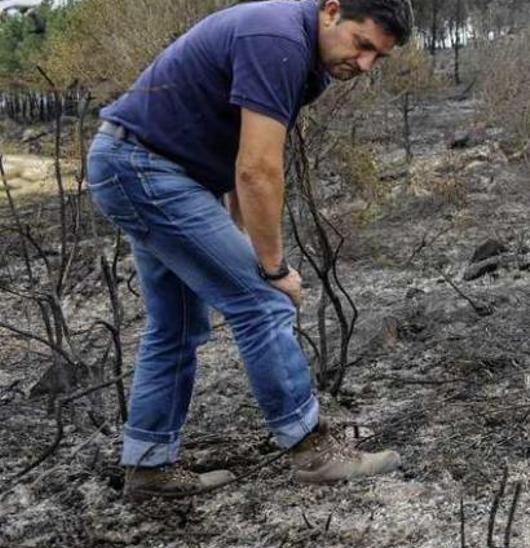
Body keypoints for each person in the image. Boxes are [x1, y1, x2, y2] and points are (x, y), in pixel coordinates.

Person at [86, 0, 413, 498]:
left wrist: (243, 243)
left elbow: (243, 151)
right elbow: (257, 170)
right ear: (331, 11)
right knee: (263, 301)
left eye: (378, 58)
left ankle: (148, 467)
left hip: (144, 167)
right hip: (146, 170)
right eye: (362, 44)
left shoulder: (304, 56)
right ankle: (312, 452)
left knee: (177, 323)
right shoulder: (279, 41)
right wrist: (272, 267)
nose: (365, 65)